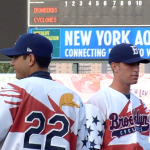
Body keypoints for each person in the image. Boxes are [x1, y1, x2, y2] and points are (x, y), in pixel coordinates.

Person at [0, 33, 88, 150]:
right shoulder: (74, 99)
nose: (12, 63)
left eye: (16, 57)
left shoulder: (14, 90)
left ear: (31, 59)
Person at [85, 43, 150, 150]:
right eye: (130, 64)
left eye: (137, 64)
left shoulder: (140, 104)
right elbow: (91, 146)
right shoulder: (98, 102)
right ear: (114, 66)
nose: (136, 69)